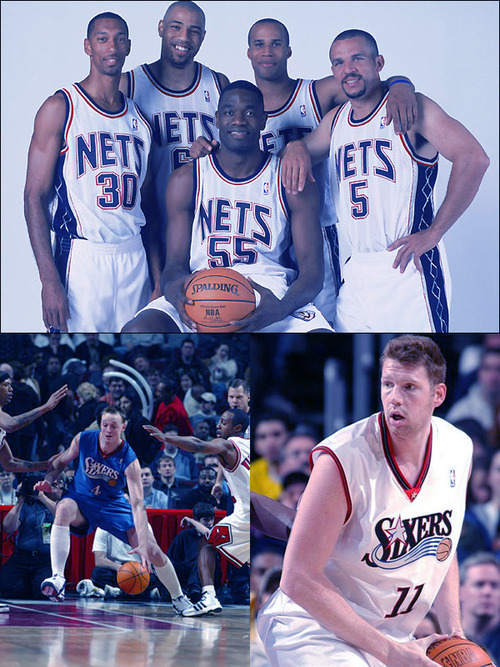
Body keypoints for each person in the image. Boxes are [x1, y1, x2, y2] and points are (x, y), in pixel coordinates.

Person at [258, 335, 473, 666]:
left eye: (409, 387)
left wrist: (455, 633)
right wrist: (390, 652)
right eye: (387, 384)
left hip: (390, 634)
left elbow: (444, 545)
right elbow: (297, 577)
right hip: (311, 628)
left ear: (438, 394)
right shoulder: (342, 459)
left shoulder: (458, 448)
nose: (394, 398)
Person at [193, 18, 418, 327]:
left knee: (323, 319)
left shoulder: (315, 92)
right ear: (248, 53)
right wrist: (204, 148)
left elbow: (360, 79)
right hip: (268, 233)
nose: (267, 52)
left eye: (275, 44)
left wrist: (401, 83)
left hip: (319, 229)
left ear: (289, 51)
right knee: (269, 319)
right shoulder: (244, 104)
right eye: (259, 44)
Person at [281, 29, 489, 333]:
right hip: (356, 273)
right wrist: (295, 146)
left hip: (407, 267)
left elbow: (474, 158)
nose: (348, 69)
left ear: (378, 62)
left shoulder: (411, 107)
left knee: (417, 357)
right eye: (338, 63)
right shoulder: (336, 121)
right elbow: (302, 151)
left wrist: (434, 233)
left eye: (357, 59)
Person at [122, 80, 333, 334]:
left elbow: (312, 275)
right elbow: (174, 266)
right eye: (230, 112)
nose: (239, 120)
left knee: (321, 339)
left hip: (270, 295)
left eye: (250, 112)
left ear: (264, 120)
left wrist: (280, 308)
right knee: (139, 330)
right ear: (217, 120)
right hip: (201, 291)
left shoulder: (288, 180)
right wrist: (174, 290)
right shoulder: (186, 179)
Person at [24, 12, 161, 333]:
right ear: (88, 46)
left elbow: (149, 207)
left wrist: (157, 280)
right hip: (82, 258)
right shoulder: (62, 107)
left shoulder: (139, 120)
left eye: (119, 39)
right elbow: (34, 197)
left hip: (134, 257)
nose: (112, 46)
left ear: (129, 46)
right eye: (103, 39)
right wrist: (48, 280)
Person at [33, 405, 193, 615]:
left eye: (114, 426)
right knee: (62, 508)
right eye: (105, 425)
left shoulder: (129, 457)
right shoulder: (84, 439)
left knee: (153, 551)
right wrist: (47, 481)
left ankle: (179, 598)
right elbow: (60, 461)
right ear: (100, 425)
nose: (108, 430)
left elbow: (137, 503)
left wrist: (143, 542)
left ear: (123, 427)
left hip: (113, 506)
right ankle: (58, 577)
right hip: (81, 499)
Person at [120, 0, 230, 265]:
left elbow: (239, 154)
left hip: (206, 231)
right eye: (176, 27)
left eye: (194, 31)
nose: (184, 37)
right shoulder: (130, 84)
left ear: (203, 37)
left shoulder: (218, 84)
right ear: (161, 28)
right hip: (149, 229)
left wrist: (213, 154)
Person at [144, 407, 250, 616]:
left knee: (207, 543)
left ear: (237, 427)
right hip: (259, 514)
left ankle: (209, 596)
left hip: (247, 514)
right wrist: (220, 481)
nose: (218, 425)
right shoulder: (248, 445)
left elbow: (200, 444)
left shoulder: (227, 444)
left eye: (223, 422)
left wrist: (167, 438)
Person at [0, 473, 66, 600]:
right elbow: (8, 527)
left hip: (46, 560)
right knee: (7, 588)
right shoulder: (26, 506)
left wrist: (42, 497)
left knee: (43, 591)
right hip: (22, 557)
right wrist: (20, 500)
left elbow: (62, 515)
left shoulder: (60, 505)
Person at [0, 370, 68, 473]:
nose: (11, 389)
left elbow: (9, 464)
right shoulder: (5, 422)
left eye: (10, 385)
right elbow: (10, 425)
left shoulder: (3, 420)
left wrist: (46, 464)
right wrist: (46, 407)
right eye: (6, 385)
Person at [167, 502, 220, 601]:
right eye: (206, 520)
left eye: (212, 519)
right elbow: (172, 557)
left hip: (207, 572)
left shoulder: (214, 534)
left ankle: (194, 589)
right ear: (197, 520)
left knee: (201, 558)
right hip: (187, 570)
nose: (210, 523)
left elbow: (208, 534)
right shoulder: (184, 535)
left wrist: (190, 520)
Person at [459, 552, 500, 665]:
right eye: (479, 584)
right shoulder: (441, 632)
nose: (487, 592)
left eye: (494, 585)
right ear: (460, 591)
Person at [447, 348, 500, 431]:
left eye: (499, 369)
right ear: (478, 373)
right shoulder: (461, 411)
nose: (493, 376)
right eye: (487, 368)